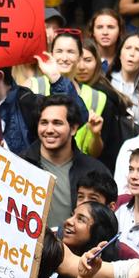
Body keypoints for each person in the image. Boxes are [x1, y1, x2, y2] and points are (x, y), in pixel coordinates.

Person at [21, 94, 104, 228]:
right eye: (44, 123)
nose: (49, 130)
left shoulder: (94, 171)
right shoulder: (19, 165)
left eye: (57, 123)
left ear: (73, 129)